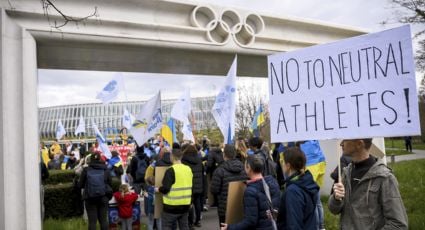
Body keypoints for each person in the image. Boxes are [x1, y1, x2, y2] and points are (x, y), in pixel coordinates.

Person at [328, 138, 408, 229]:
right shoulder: (346, 173)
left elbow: (398, 224)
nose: (341, 143)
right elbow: (334, 210)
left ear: (359, 144)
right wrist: (336, 198)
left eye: (345, 140)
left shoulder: (384, 177)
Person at [220, 154, 280, 230]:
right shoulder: (273, 183)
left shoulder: (250, 191)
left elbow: (250, 221)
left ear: (249, 168)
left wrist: (230, 227)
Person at [277, 147, 319, 230]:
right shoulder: (305, 181)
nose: (281, 164)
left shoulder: (293, 191)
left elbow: (294, 224)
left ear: (288, 166)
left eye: (283, 162)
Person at [210, 144, 248, 226]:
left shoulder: (219, 170)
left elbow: (214, 190)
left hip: (224, 207)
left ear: (224, 155)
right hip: (241, 205)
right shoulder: (244, 168)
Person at [156, 148, 193, 230]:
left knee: (167, 227)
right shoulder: (188, 169)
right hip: (185, 205)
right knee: (184, 227)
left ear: (172, 157)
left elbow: (165, 189)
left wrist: (158, 189)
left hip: (171, 207)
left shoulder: (170, 170)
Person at [79, 152, 112, 230]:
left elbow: (80, 185)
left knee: (92, 222)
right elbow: (110, 183)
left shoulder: (86, 170)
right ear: (100, 159)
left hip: (90, 197)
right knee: (103, 220)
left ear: (91, 160)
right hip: (103, 196)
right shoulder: (105, 169)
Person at [182, 144, 204, 228]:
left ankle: (190, 222)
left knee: (189, 204)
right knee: (197, 203)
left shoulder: (184, 160)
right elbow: (202, 171)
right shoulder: (199, 160)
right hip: (198, 185)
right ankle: (198, 220)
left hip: (189, 185)